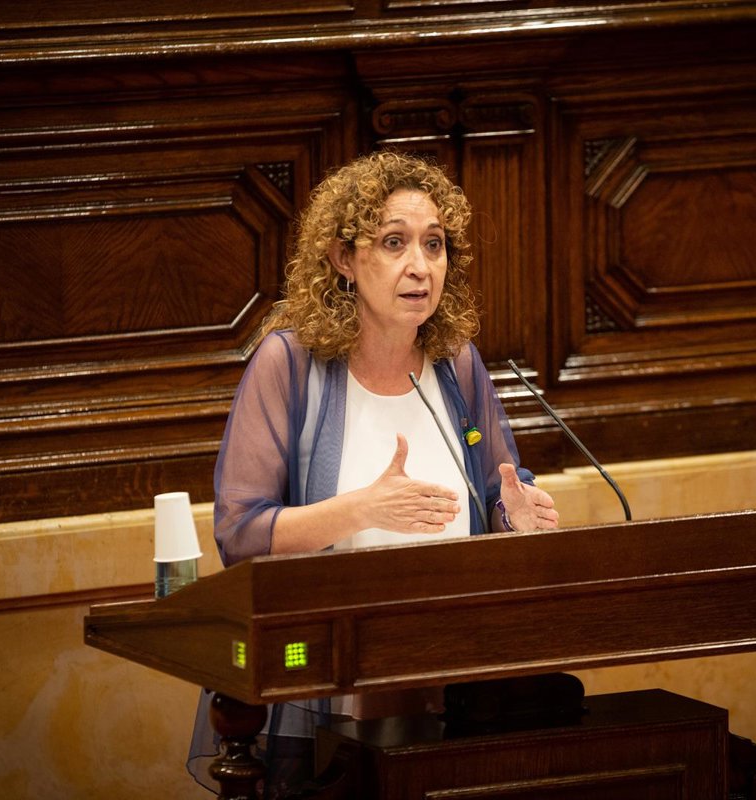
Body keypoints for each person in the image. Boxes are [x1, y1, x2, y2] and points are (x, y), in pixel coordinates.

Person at [187, 150, 559, 796]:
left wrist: (514, 514)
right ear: (343, 258)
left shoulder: (457, 363)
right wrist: (363, 508)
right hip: (330, 679)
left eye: (434, 244)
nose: (421, 265)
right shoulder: (289, 365)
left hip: (452, 675)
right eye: (394, 242)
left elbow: (499, 489)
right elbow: (240, 534)